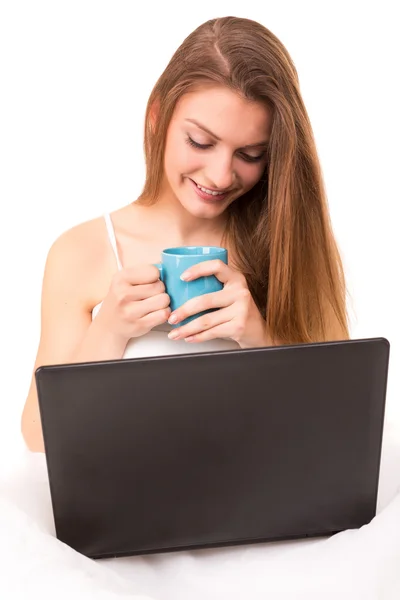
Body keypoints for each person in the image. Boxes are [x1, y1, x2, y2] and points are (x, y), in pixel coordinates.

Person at [21, 16, 350, 453]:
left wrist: (258, 339)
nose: (220, 175)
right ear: (157, 116)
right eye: (200, 141)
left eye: (250, 154)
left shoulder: (290, 243)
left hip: (267, 512)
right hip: (129, 510)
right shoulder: (83, 251)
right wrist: (110, 331)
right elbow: (38, 438)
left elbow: (342, 423)